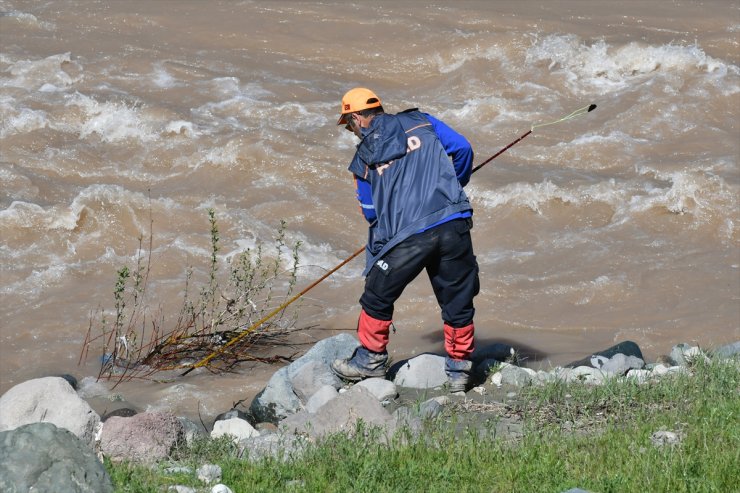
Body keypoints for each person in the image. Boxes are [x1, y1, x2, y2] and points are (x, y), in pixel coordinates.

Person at [330, 87, 480, 392]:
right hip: (453, 223)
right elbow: (463, 149)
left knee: (376, 295)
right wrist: (453, 185)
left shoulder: (363, 159)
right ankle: (459, 371)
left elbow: (371, 212)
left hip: (407, 237)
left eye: (348, 124)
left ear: (358, 118)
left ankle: (370, 360)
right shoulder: (423, 122)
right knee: (457, 300)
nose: (351, 131)